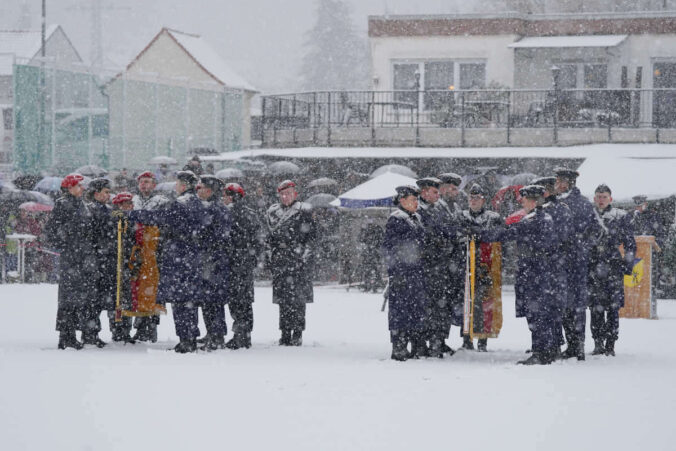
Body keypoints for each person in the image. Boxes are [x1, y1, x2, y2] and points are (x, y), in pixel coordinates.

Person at [128, 171, 205, 353]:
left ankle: (186, 340)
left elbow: (159, 218)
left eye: (177, 183)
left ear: (184, 186)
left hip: (179, 259)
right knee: (190, 302)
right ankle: (191, 337)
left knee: (180, 302)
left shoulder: (181, 204)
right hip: (193, 259)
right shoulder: (197, 203)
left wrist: (133, 215)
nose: (175, 187)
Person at [480, 185, 556, 365]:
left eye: (524, 199)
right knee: (537, 314)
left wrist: (481, 234)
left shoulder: (535, 220)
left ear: (533, 201)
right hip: (537, 272)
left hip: (535, 273)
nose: (521, 202)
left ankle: (541, 352)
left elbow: (509, 233)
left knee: (537, 314)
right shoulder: (540, 218)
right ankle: (545, 350)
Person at [555, 167, 603, 361]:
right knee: (568, 305)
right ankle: (575, 344)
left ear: (568, 183)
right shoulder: (564, 202)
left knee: (573, 305)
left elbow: (597, 231)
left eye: (560, 181)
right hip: (567, 261)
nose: (557, 185)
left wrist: (581, 245)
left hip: (572, 261)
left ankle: (577, 345)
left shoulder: (577, 204)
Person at [44, 174, 97, 350]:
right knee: (68, 297)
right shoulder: (63, 204)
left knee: (79, 297)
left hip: (82, 257)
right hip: (72, 258)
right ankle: (66, 335)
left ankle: (71, 333)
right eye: (79, 186)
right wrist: (66, 241)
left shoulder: (82, 204)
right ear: (70, 187)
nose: (82, 189)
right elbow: (52, 230)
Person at [266, 180, 317, 346]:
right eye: (282, 194)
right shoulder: (273, 212)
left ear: (295, 194)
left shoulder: (304, 211)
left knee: (298, 300)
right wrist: (270, 256)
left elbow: (312, 239)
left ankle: (297, 333)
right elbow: (268, 239)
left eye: (288, 193)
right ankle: (285, 332)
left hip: (297, 260)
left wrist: (304, 258)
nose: (285, 197)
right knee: (283, 300)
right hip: (281, 260)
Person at [416, 177, 462, 358]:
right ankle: (423, 343)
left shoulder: (439, 210)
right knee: (427, 307)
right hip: (428, 267)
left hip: (443, 266)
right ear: (424, 192)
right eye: (434, 192)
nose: (437, 195)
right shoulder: (418, 211)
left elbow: (448, 231)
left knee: (442, 307)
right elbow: (426, 237)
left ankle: (439, 340)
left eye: (438, 191)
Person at [589, 184, 636, 356]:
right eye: (598, 197)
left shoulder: (620, 216)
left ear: (610, 198)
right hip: (593, 265)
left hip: (613, 266)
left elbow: (630, 243)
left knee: (613, 308)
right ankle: (597, 342)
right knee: (595, 307)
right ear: (594, 199)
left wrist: (628, 264)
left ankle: (610, 343)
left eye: (604, 197)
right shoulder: (589, 215)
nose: (601, 200)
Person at [382, 185, 427, 361]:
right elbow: (390, 248)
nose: (416, 202)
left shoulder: (416, 218)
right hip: (402, 273)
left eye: (417, 199)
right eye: (413, 199)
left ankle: (415, 344)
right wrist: (395, 270)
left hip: (416, 272)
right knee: (400, 311)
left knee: (415, 310)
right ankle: (399, 345)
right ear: (402, 201)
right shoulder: (396, 219)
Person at [89, 178, 134, 345]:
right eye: (106, 192)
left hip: (113, 261)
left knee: (118, 298)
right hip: (101, 261)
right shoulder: (92, 210)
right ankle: (92, 332)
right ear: (96, 193)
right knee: (98, 299)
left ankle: (120, 330)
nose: (109, 195)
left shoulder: (108, 210)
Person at [532, 176, 573, 357]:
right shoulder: (559, 209)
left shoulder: (551, 211)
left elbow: (560, 238)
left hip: (551, 265)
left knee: (549, 309)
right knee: (553, 308)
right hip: (555, 265)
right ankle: (552, 344)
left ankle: (551, 345)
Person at [459, 183, 502, 352]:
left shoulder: (493, 217)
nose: (473, 201)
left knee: (486, 304)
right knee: (466, 304)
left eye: (477, 198)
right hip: (465, 266)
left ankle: (483, 340)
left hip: (486, 267)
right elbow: (456, 236)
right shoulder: (460, 216)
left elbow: (499, 239)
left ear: (484, 200)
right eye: (471, 198)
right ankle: (466, 338)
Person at [223, 182, 262, 350]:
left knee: (238, 301)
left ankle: (241, 335)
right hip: (243, 264)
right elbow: (258, 241)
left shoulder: (230, 214)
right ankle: (243, 334)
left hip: (235, 264)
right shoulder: (250, 214)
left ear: (232, 197)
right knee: (243, 301)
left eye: (225, 196)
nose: (223, 199)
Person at [131, 171, 169, 342]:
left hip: (154, 252)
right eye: (141, 182)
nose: (144, 185)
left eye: (147, 182)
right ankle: (139, 325)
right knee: (137, 290)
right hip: (136, 253)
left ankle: (151, 326)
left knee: (152, 291)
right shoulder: (133, 201)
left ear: (154, 184)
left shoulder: (162, 202)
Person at [195, 175, 231, 351]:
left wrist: (202, 242)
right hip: (207, 260)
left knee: (214, 301)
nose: (198, 190)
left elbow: (220, 237)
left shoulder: (217, 209)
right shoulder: (209, 207)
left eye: (200, 187)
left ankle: (217, 336)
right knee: (207, 300)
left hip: (214, 262)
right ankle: (212, 332)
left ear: (209, 190)